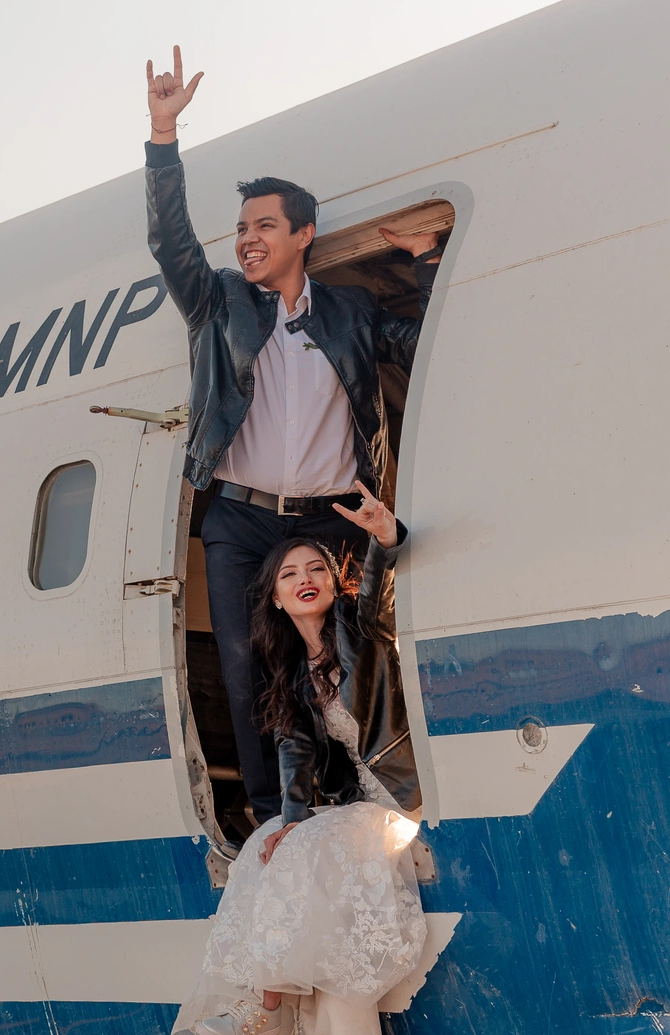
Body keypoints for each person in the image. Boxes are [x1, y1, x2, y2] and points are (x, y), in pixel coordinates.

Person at [144, 46, 437, 827]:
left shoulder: (347, 314)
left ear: (303, 233)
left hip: (326, 517)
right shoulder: (220, 308)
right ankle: (278, 813)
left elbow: (429, 342)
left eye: (264, 226)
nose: (246, 238)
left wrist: (430, 259)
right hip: (242, 517)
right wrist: (162, 137)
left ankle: (355, 796)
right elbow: (171, 245)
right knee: (247, 667)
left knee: (345, 657)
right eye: (240, 228)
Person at [172, 484, 430, 1035]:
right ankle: (277, 1013)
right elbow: (294, 757)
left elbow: (377, 594)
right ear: (278, 600)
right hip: (356, 804)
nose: (303, 579)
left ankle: (270, 1003)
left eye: (313, 566)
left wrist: (382, 537)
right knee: (268, 848)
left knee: (314, 842)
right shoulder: (291, 673)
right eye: (288, 576)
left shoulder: (353, 627)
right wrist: (283, 822)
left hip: (394, 795)